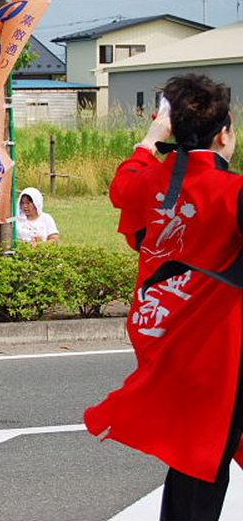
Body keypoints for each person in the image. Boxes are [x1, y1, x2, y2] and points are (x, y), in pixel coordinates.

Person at [84, 74, 241, 521]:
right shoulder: (233, 192)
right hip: (222, 347)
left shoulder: (148, 180)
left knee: (194, 458)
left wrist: (154, 135)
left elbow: (123, 182)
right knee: (204, 460)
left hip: (166, 336)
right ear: (225, 133)